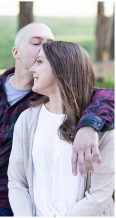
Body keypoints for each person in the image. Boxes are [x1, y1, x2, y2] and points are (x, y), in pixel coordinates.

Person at [0, 23, 114, 216]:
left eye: (49, 45)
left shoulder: (95, 113)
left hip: (3, 201)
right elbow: (17, 180)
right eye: (36, 43)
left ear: (60, 64)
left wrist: (89, 126)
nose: (43, 48)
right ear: (16, 52)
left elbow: (106, 97)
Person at [8, 41, 114, 216]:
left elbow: (100, 196)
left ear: (61, 67)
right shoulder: (27, 120)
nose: (32, 69)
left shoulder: (103, 126)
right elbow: (17, 182)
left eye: (39, 62)